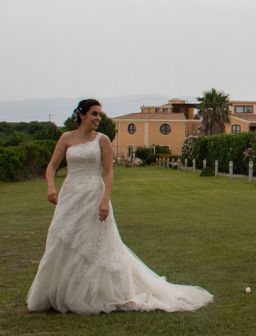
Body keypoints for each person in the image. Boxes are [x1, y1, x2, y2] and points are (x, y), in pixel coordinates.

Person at [27, 99, 213, 314]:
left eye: (99, 114)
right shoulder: (66, 138)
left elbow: (108, 172)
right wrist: (51, 187)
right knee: (63, 238)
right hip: (70, 197)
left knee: (95, 243)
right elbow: (51, 167)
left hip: (93, 196)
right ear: (82, 115)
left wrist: (105, 200)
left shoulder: (102, 140)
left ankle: (93, 293)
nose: (98, 118)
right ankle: (60, 292)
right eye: (94, 114)